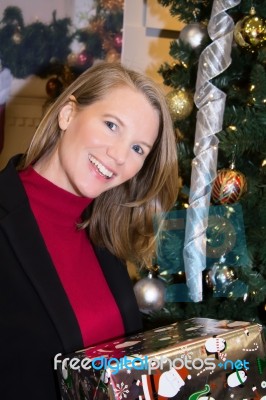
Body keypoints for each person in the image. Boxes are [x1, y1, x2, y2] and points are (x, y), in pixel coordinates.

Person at [0, 61, 178, 399]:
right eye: (111, 125)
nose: (118, 155)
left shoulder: (105, 236)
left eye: (138, 148)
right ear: (67, 114)